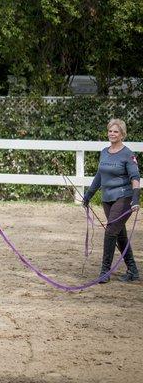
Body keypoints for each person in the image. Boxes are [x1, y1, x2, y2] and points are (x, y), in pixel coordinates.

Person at [83, 119, 140, 282]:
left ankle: (104, 272)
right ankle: (133, 271)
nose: (112, 134)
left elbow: (135, 177)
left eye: (116, 131)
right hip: (107, 198)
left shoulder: (128, 154)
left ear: (122, 134)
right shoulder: (104, 152)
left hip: (124, 198)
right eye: (110, 131)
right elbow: (100, 175)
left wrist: (136, 198)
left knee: (110, 232)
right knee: (119, 234)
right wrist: (88, 195)